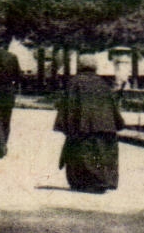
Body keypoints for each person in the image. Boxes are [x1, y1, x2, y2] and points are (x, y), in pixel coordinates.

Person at [53, 55, 125, 192]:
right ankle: (103, 180)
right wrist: (117, 123)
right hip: (105, 127)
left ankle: (86, 182)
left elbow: (68, 105)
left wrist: (66, 125)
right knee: (104, 154)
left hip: (84, 127)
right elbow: (112, 106)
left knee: (82, 151)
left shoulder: (75, 83)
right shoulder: (102, 83)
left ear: (79, 66)